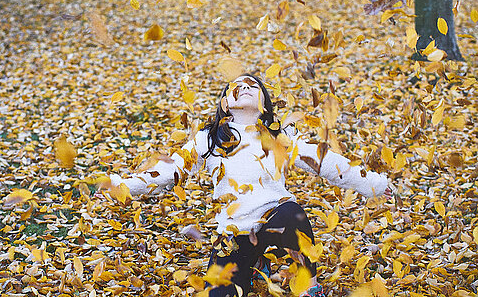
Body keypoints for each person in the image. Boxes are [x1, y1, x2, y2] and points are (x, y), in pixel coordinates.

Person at [108, 73, 391, 296]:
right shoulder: (209, 140)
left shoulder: (279, 138)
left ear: (264, 103)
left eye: (253, 85)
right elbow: (168, 172)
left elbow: (326, 162)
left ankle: (309, 289)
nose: (244, 87)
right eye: (236, 86)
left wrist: (373, 184)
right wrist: (122, 186)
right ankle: (256, 265)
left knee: (294, 215)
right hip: (234, 235)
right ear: (225, 103)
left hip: (274, 220)